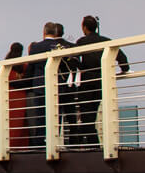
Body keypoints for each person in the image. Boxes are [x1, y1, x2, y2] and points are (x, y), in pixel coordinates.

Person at [69, 15, 129, 148]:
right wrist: (123, 69)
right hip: (103, 82)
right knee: (101, 114)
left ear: (84, 28)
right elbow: (123, 59)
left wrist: (81, 68)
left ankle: (94, 146)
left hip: (87, 83)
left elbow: (73, 59)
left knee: (86, 118)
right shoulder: (106, 41)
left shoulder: (82, 42)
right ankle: (101, 146)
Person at [26, 23, 70, 149]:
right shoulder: (59, 47)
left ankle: (41, 144)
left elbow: (31, 67)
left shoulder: (36, 47)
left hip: (40, 86)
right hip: (57, 86)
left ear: (44, 32)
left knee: (41, 116)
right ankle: (55, 142)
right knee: (57, 115)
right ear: (56, 32)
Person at [3, 41, 30, 150]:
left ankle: (6, 145)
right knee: (21, 122)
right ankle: (22, 146)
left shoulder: (6, 65)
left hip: (9, 95)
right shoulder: (23, 65)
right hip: (21, 95)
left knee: (8, 122)